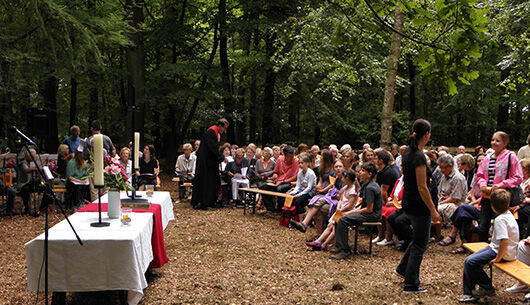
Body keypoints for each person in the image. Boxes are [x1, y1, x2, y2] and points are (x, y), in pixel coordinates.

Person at [395, 119, 441, 293]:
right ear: (427, 134)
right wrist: (433, 210)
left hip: (409, 201)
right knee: (420, 244)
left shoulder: (407, 152)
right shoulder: (418, 156)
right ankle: (411, 283)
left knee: (417, 239)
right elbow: (422, 186)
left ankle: (402, 268)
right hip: (419, 205)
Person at [458, 189, 519, 303]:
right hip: (500, 249)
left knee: (470, 262)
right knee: (471, 259)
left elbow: (504, 241)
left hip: (502, 252)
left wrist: (498, 258)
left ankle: (486, 287)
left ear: (492, 205)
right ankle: (469, 292)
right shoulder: (508, 215)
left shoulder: (500, 219)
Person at [476, 131, 523, 242]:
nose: (494, 143)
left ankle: (498, 250)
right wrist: (482, 183)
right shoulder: (487, 158)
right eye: (493, 140)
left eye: (497, 140)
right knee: (483, 226)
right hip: (487, 197)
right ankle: (481, 249)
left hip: (502, 197)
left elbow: (518, 177)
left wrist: (501, 184)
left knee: (499, 225)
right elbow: (480, 174)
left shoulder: (511, 157)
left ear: (505, 143)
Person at [329, 162, 383, 260]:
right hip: (367, 212)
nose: (360, 173)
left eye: (363, 171)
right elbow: (363, 205)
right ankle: (339, 246)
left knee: (343, 219)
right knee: (339, 217)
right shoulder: (366, 185)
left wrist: (350, 212)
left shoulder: (370, 187)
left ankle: (345, 250)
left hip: (372, 215)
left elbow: (369, 209)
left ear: (369, 174)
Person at [305, 169, 359, 251]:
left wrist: (341, 209)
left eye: (343, 178)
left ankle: (324, 244)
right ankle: (318, 241)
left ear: (347, 179)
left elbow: (350, 205)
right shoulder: (345, 188)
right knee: (330, 225)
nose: (341, 180)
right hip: (340, 210)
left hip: (346, 212)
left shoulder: (353, 190)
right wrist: (338, 207)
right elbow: (341, 199)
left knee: (335, 228)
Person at [290, 160, 344, 236]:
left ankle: (305, 224)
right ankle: (319, 235)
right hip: (333, 200)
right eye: (336, 167)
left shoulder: (346, 178)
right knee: (318, 208)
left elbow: (344, 195)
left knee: (318, 202)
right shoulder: (337, 178)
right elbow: (334, 190)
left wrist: (334, 192)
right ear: (334, 169)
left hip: (342, 205)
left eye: (340, 166)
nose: (338, 168)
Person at [191, 118, 229, 210]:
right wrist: (222, 158)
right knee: (207, 182)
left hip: (208, 161)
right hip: (206, 163)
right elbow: (213, 149)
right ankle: (206, 203)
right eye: (224, 128)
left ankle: (209, 201)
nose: (224, 131)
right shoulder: (212, 132)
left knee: (209, 182)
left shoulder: (214, 132)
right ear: (220, 126)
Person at [433, 154, 468, 242]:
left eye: (444, 168)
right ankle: (436, 233)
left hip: (457, 204)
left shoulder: (458, 178)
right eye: (440, 168)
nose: (442, 170)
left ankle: (437, 234)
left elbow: (454, 198)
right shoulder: (444, 176)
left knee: (436, 209)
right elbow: (439, 192)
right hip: (444, 200)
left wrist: (439, 203)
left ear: (451, 166)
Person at [258, 146, 299, 213]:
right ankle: (270, 208)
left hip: (289, 182)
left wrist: (283, 181)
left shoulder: (296, 161)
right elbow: (276, 172)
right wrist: (275, 176)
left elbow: (295, 176)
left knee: (280, 189)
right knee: (262, 187)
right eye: (289, 156)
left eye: (292, 156)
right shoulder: (280, 159)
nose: (291, 158)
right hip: (278, 181)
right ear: (285, 155)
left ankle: (280, 209)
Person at [372, 149, 399, 245]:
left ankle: (388, 238)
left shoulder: (388, 172)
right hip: (385, 199)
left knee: (385, 211)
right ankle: (380, 235)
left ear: (381, 161)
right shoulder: (380, 171)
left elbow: (383, 190)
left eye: (375, 158)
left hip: (390, 199)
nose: (373, 160)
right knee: (379, 209)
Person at [84, 120, 113, 201]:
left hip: (93, 165)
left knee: (94, 189)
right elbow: (112, 151)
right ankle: (105, 204)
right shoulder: (107, 139)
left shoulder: (89, 140)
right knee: (106, 187)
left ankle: (95, 206)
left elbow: (85, 155)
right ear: (101, 128)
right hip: (106, 165)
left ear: (92, 128)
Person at [288, 153, 317, 220]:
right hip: (302, 189)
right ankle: (294, 216)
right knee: (290, 198)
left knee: (298, 201)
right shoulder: (300, 173)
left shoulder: (311, 174)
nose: (300, 165)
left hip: (310, 191)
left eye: (302, 163)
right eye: (299, 163)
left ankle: (301, 219)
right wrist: (293, 193)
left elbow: (309, 188)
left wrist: (299, 194)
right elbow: (298, 185)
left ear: (307, 163)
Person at [65, 145, 90, 209]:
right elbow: (70, 177)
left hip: (83, 181)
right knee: (77, 187)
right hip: (73, 181)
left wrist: (86, 179)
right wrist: (80, 181)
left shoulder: (85, 163)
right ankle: (76, 204)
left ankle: (84, 201)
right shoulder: (72, 162)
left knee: (88, 186)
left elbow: (86, 174)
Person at [16, 148, 39, 215]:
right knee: (25, 190)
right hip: (24, 183)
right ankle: (26, 208)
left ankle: (42, 207)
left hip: (33, 181)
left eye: (34, 156)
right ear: (27, 156)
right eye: (31, 156)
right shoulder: (24, 163)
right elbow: (26, 170)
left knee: (47, 188)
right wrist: (35, 169)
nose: (33, 158)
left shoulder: (36, 162)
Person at [514, 158, 530, 238]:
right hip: (518, 203)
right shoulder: (519, 180)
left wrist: (520, 204)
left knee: (520, 212)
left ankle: (522, 237)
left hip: (526, 206)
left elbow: (526, 197)